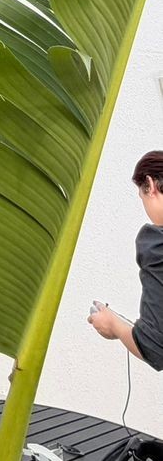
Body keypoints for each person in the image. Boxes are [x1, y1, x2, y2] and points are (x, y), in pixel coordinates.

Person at [89, 151, 163, 369]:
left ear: (150, 185)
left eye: (142, 197)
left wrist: (114, 325)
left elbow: (155, 348)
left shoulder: (157, 244)